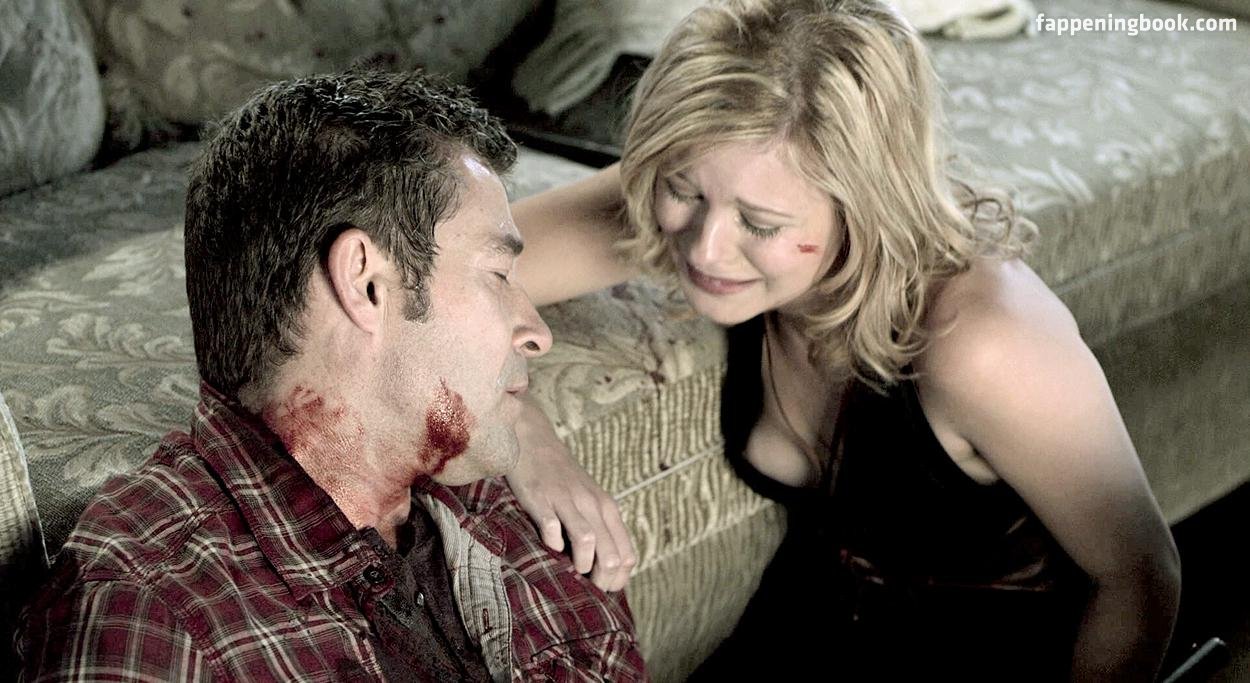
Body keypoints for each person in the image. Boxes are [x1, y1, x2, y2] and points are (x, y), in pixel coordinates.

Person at [504, 0, 1181, 679]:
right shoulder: (719, 181)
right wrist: (522, 428)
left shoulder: (984, 342)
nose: (705, 248)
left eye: (761, 225)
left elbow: (1141, 577)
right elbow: (461, 273)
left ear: (864, 205)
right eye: (683, 190)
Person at [15, 70, 646, 682]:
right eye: (500, 276)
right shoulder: (155, 621)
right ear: (366, 285)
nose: (538, 333)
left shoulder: (519, 515)